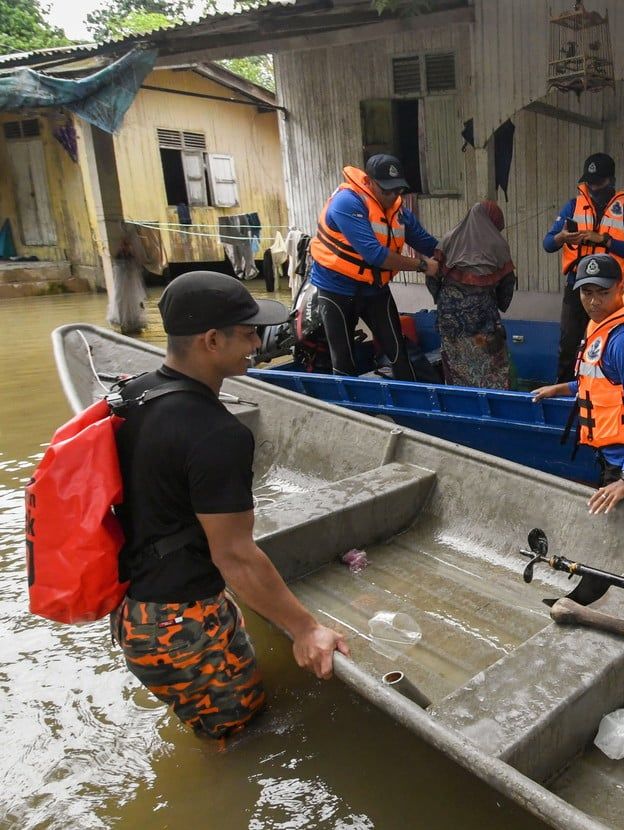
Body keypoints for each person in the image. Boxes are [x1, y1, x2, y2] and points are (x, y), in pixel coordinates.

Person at [112, 271, 349, 741]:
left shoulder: (135, 394)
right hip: (181, 627)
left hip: (136, 610)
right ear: (211, 340)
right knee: (239, 741)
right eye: (247, 333)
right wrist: (306, 629)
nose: (257, 343)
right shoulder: (217, 435)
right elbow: (236, 556)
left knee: (218, 725)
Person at [531, 254, 624, 513]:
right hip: (616, 455)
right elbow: (605, 383)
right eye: (587, 292)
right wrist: (562, 388)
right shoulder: (604, 325)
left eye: (603, 292)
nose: (594, 301)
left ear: (621, 288)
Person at [308, 154, 441, 380]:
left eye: (397, 190)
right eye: (386, 190)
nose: (392, 196)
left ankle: (412, 408)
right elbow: (375, 254)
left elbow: (427, 243)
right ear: (368, 182)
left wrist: (458, 255)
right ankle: (350, 413)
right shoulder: (347, 202)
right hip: (336, 288)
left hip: (374, 288)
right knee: (343, 360)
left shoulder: (399, 212)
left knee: (398, 352)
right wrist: (421, 265)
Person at [543, 152, 624, 382]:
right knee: (569, 344)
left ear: (611, 180)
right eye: (589, 183)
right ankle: (564, 395)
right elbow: (548, 244)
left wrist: (604, 240)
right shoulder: (573, 206)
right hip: (577, 287)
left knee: (609, 344)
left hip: (610, 291)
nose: (593, 188)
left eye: (599, 182)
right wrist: (563, 237)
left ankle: (609, 392)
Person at [432, 200, 517, 389]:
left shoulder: (448, 238)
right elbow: (507, 283)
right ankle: (492, 405)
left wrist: (441, 299)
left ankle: (461, 405)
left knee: (456, 364)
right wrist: (501, 303)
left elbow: (432, 276)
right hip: (483, 319)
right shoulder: (499, 245)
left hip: (450, 319)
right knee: (492, 366)